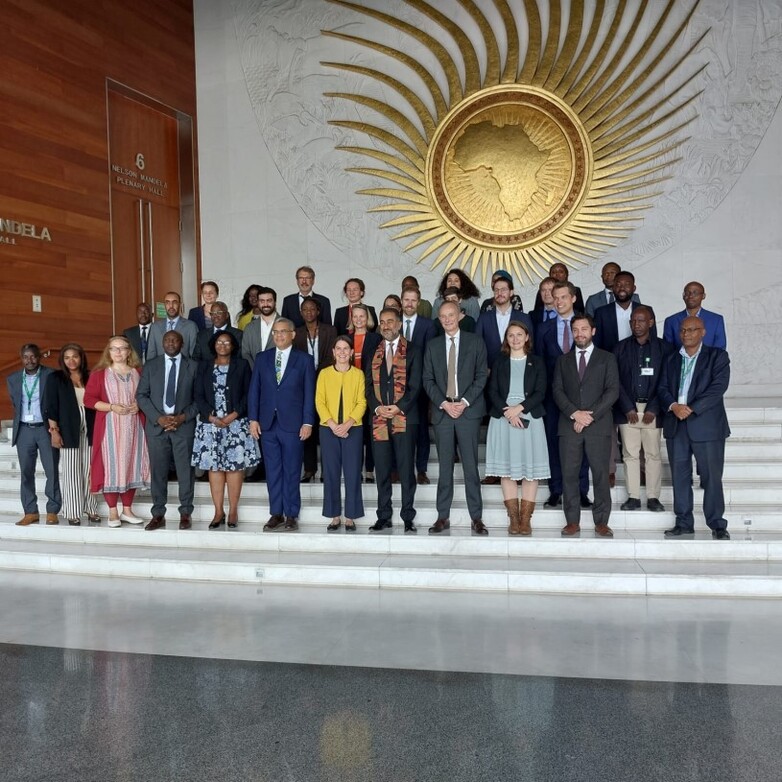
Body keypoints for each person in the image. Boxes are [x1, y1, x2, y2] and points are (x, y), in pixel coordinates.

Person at [658, 315, 731, 539]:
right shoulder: (671, 359)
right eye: (683, 330)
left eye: (692, 330)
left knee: (710, 477)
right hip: (676, 425)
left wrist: (690, 408)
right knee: (680, 477)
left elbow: (718, 388)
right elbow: (661, 388)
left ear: (703, 332)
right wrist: (673, 406)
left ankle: (717, 524)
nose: (686, 334)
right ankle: (683, 522)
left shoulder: (717, 356)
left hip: (706, 426)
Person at [423, 301, 488, 535]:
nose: (447, 319)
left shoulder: (475, 341)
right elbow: (427, 380)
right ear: (439, 319)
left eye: (451, 315)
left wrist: (464, 402)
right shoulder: (432, 346)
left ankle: (477, 518)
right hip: (443, 413)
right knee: (444, 468)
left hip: (468, 411)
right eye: (443, 316)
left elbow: (482, 375)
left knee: (471, 467)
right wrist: (443, 403)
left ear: (460, 315)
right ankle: (443, 516)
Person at [552, 314, 620, 537]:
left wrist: (589, 416)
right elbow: (557, 391)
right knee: (569, 475)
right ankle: (572, 521)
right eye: (576, 330)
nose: (579, 333)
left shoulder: (607, 358)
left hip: (598, 426)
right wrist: (574, 414)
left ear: (593, 331)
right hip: (569, 426)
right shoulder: (563, 360)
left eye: (584, 329)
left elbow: (612, 391)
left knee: (600, 474)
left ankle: (601, 521)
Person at [248, 318, 315, 531]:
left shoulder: (304, 360)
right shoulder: (262, 358)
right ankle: (276, 513)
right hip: (267, 424)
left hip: (293, 424)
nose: (278, 335)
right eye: (275, 332)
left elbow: (309, 394)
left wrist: (307, 422)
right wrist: (253, 419)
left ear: (293, 334)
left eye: (283, 332)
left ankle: (291, 514)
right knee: (273, 470)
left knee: (292, 470)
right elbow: (254, 391)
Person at [485, 322, 549, 535]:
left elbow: (541, 391)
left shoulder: (537, 362)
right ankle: (513, 517)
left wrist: (520, 408)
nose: (515, 339)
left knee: (530, 472)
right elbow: (492, 391)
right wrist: (508, 412)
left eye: (519, 335)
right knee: (507, 471)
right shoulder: (499, 361)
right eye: (511, 335)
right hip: (503, 419)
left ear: (527, 337)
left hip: (530, 416)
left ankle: (525, 519)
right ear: (506, 339)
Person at [192, 331, 260, 529]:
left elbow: (249, 393)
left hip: (236, 424)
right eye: (219, 342)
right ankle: (218, 511)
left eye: (227, 342)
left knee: (234, 468)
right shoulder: (204, 366)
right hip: (210, 424)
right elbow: (197, 394)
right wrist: (211, 416)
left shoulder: (242, 365)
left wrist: (233, 415)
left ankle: (233, 511)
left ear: (233, 346)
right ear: (214, 345)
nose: (222, 345)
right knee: (214, 468)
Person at [365, 307, 422, 533]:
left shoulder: (414, 350)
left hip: (405, 418)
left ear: (399, 324)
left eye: (390, 321)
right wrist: (378, 408)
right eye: (382, 322)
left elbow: (415, 386)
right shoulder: (374, 351)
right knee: (382, 469)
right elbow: (368, 387)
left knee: (407, 470)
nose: (386, 326)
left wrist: (397, 407)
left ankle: (408, 516)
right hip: (379, 419)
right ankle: (384, 515)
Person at [534, 281, 590, 507]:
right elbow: (538, 362)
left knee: (582, 443)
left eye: (563, 297)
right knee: (553, 443)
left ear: (573, 298)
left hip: (583, 397)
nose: (558, 301)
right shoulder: (543, 329)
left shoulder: (585, 325)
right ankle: (556, 489)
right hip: (551, 398)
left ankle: (581, 490)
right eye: (555, 298)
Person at [137, 330, 199, 531]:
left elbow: (199, 399)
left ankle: (186, 513)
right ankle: (158, 514)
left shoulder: (194, 366)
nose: (171, 343)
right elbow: (142, 396)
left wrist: (181, 418)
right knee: (158, 472)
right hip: (157, 427)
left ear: (182, 344)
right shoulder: (151, 365)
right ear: (162, 343)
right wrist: (159, 418)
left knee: (185, 472)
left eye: (175, 340)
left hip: (183, 426)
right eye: (167, 340)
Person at [613, 306, 673, 512]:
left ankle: (653, 497)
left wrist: (654, 408)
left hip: (652, 409)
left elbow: (666, 380)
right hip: (627, 408)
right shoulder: (620, 348)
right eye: (633, 321)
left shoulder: (665, 348)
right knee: (629, 454)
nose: (636, 324)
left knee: (652, 454)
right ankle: (633, 497)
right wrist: (627, 406)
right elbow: (615, 381)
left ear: (651, 322)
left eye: (640, 320)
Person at [84, 336, 149, 527]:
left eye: (122, 348)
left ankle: (127, 510)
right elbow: (88, 399)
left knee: (130, 464)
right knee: (112, 467)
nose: (118, 352)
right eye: (114, 348)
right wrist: (112, 406)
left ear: (129, 351)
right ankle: (113, 511)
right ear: (109, 352)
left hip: (134, 427)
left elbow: (146, 395)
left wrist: (139, 405)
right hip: (110, 428)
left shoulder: (139, 372)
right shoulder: (100, 374)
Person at [316, 336, 367, 532]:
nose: (343, 352)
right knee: (330, 473)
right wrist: (332, 424)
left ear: (352, 352)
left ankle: (351, 516)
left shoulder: (358, 374)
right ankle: (334, 515)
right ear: (334, 352)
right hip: (328, 429)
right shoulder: (324, 374)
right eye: (339, 348)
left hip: (352, 429)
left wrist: (347, 424)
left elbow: (362, 402)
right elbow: (319, 401)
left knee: (353, 472)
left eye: (346, 349)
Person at [44, 343, 99, 525]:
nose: (71, 360)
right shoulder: (56, 378)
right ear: (62, 360)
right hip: (68, 428)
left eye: (74, 356)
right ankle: (73, 512)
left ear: (81, 357)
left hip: (91, 427)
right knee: (71, 472)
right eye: (67, 357)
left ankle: (91, 508)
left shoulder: (90, 376)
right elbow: (50, 407)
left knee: (90, 471)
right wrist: (54, 431)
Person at [7, 344, 61, 526]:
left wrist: (55, 429)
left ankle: (52, 511)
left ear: (39, 357)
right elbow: (16, 404)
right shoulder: (13, 379)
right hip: (24, 430)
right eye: (25, 357)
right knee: (26, 473)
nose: (29, 360)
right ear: (21, 358)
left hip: (45, 429)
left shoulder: (52, 375)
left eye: (33, 356)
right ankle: (30, 511)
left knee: (52, 471)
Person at [294, 297, 337, 482]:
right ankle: (310, 469)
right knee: (307, 425)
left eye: (312, 309)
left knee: (326, 428)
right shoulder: (296, 333)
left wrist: (316, 375)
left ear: (318, 311)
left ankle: (327, 470)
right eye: (305, 309)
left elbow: (332, 356)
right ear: (301, 313)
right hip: (304, 387)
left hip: (327, 383)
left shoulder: (330, 330)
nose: (309, 312)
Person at [401, 286, 437, 484]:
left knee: (422, 428)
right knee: (398, 429)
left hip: (420, 385)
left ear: (419, 302)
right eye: (406, 300)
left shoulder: (428, 325)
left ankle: (421, 469)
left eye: (413, 300)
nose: (409, 304)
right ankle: (397, 469)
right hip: (396, 386)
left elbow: (429, 357)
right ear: (401, 301)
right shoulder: (394, 323)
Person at [475, 275, 535, 370]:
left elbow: (530, 345)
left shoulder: (524, 318)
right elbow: (477, 346)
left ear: (511, 292)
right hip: (490, 372)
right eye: (496, 290)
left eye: (503, 289)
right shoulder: (484, 318)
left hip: (518, 369)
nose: (499, 293)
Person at [351, 304, 382, 483]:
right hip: (351, 392)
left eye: (362, 316)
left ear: (367, 318)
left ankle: (369, 470)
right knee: (356, 432)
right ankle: (356, 469)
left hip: (370, 389)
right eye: (355, 316)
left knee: (370, 431)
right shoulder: (345, 339)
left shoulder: (376, 338)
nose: (359, 319)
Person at [593, 271, 655, 353]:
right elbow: (597, 344)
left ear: (634, 288)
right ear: (613, 288)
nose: (622, 288)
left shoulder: (646, 311)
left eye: (627, 285)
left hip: (639, 358)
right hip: (611, 361)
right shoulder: (601, 313)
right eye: (618, 285)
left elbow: (653, 340)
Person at [663, 281, 727, 350]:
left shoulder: (716, 320)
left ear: (703, 296)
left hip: (709, 360)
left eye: (695, 293)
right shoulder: (671, 321)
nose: (690, 296)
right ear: (683, 296)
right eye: (687, 293)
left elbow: (720, 350)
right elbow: (667, 351)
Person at [146, 291, 198, 360]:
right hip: (160, 369)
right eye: (167, 302)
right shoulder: (155, 327)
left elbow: (194, 356)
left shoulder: (191, 326)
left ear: (180, 304)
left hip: (183, 369)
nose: (171, 306)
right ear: (164, 305)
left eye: (174, 302)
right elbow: (151, 355)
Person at [241, 287, 279, 368]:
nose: (265, 304)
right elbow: (245, 353)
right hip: (255, 375)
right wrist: (256, 371)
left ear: (275, 302)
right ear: (258, 303)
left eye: (269, 300)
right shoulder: (249, 328)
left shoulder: (287, 324)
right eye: (262, 301)